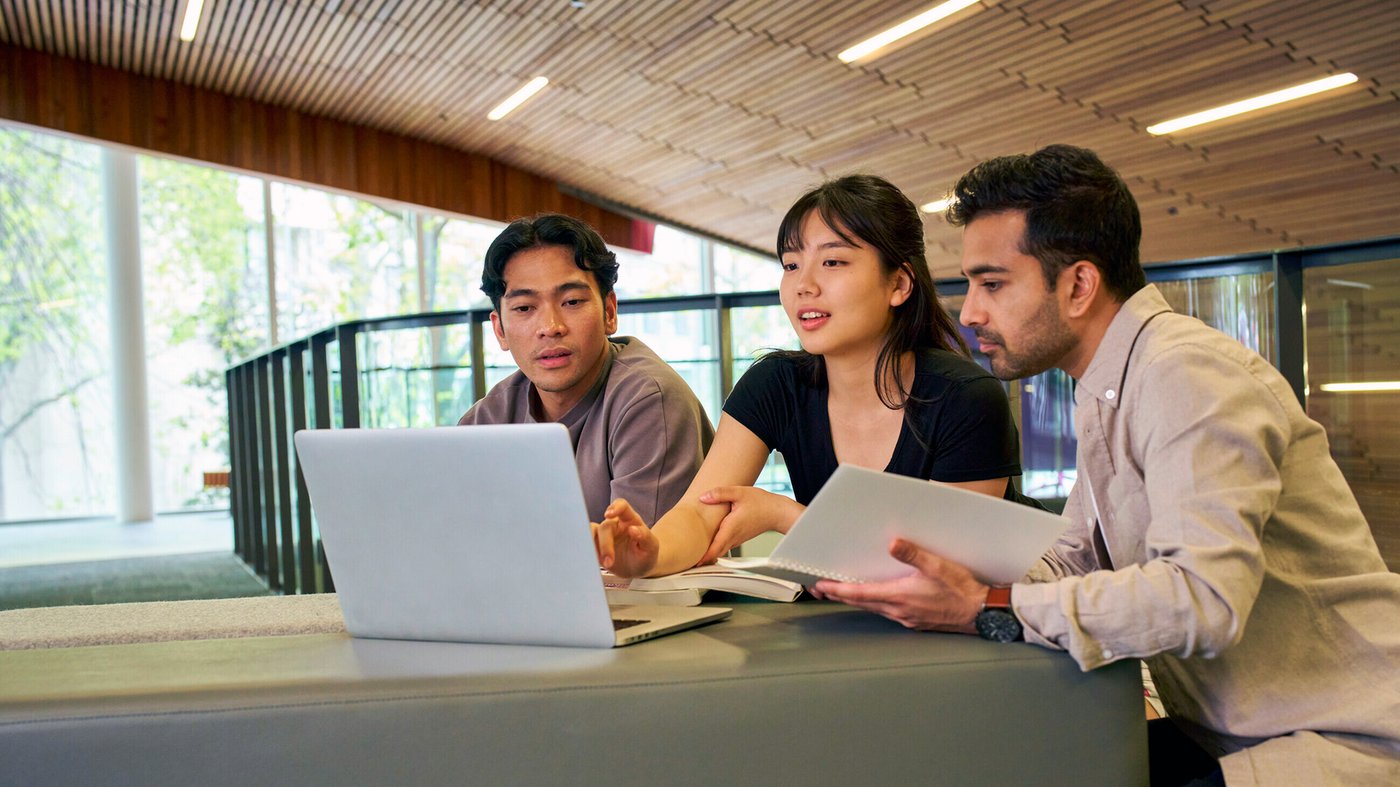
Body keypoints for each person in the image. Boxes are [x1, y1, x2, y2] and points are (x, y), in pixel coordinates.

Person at [815, 145, 1400, 784]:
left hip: (1345, 736)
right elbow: (1075, 554)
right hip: (1234, 728)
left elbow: (1200, 599)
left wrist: (987, 605)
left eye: (992, 283)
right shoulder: (1107, 385)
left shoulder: (1187, 376)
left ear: (1079, 285)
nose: (971, 312)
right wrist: (939, 575)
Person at [595, 175, 1025, 578]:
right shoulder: (776, 384)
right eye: (791, 265)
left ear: (899, 284)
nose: (804, 285)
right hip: (850, 624)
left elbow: (942, 577)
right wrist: (648, 552)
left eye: (833, 261)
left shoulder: (966, 398)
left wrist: (785, 516)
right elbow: (700, 512)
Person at [458, 213, 714, 525]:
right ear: (499, 330)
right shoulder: (485, 422)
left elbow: (639, 565)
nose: (550, 327)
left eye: (572, 301)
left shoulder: (650, 399)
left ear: (609, 312)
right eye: (525, 308)